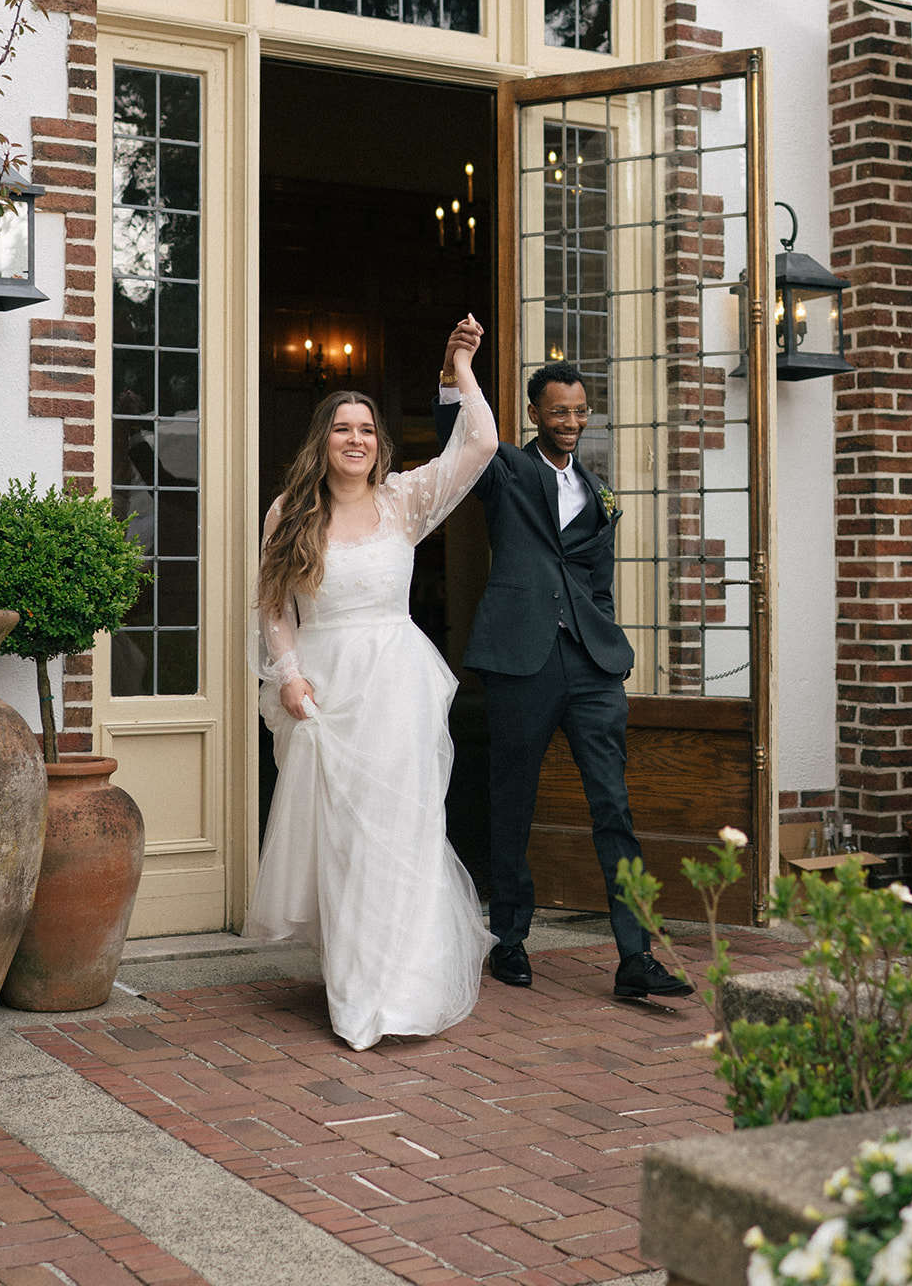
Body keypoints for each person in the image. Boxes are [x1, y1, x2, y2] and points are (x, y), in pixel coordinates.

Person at [245, 315, 498, 1051]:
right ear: (321, 442)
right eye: (341, 429)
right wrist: (288, 676)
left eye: (366, 430)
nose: (355, 439)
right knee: (347, 841)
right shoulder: (289, 514)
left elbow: (479, 443)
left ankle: (405, 986)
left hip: (397, 688)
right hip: (327, 692)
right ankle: (355, 985)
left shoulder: (405, 503)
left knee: (404, 830)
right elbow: (273, 609)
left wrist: (459, 368)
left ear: (380, 445)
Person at [434, 349, 693, 1001]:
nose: (572, 421)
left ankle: (635, 955)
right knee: (512, 797)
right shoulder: (508, 470)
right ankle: (511, 939)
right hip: (520, 657)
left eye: (580, 411)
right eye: (559, 412)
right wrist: (451, 378)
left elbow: (598, 584)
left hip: (591, 664)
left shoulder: (597, 491)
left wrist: (600, 632)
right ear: (535, 414)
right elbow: (457, 448)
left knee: (613, 801)